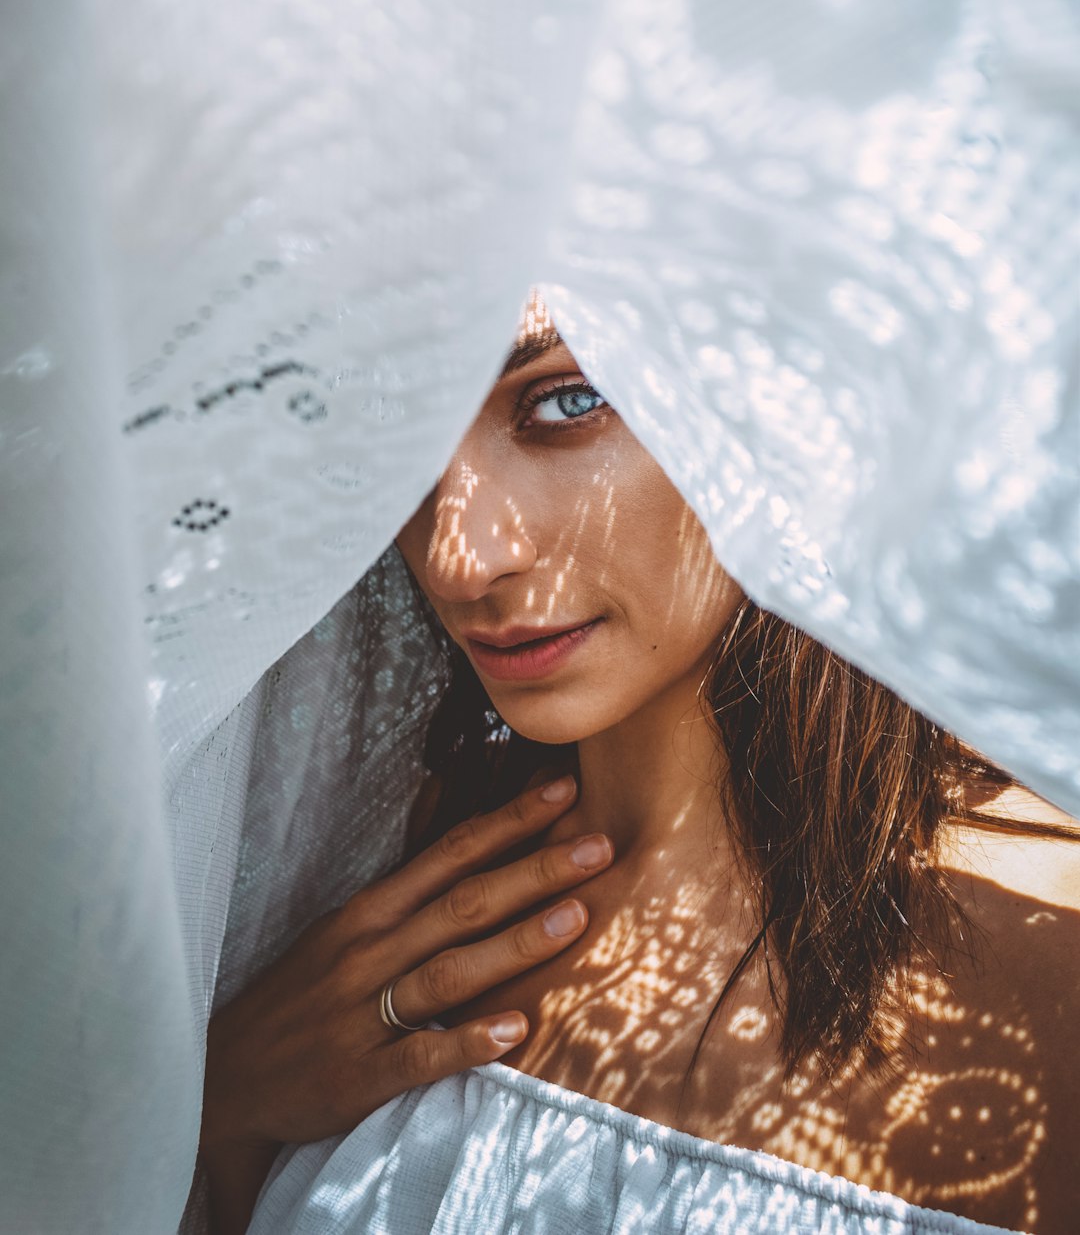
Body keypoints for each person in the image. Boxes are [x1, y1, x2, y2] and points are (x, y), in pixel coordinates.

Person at [198, 298, 1080, 1235]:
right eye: (393, 435)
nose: (459, 557)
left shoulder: (1049, 950)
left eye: (567, 402)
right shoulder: (366, 868)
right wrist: (225, 1108)